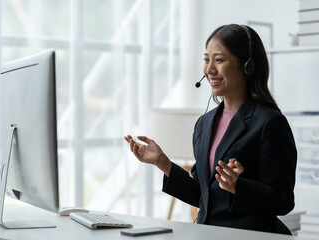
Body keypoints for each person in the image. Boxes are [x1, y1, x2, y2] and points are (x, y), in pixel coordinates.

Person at [124, 24, 297, 235]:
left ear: (247, 65)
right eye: (206, 59)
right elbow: (201, 193)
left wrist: (237, 187)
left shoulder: (270, 122)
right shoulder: (204, 123)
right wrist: (163, 162)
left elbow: (283, 201)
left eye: (219, 60)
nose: (209, 70)